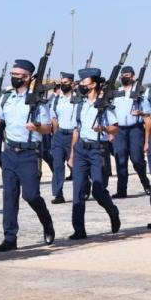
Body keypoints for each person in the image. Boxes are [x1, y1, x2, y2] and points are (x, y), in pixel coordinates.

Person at [0, 60, 55, 251]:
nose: (14, 77)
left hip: (29, 153)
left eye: (18, 74)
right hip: (9, 152)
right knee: (9, 196)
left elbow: (48, 128)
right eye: (13, 73)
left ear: (27, 77)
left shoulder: (38, 101)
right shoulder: (6, 98)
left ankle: (47, 222)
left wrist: (36, 126)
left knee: (30, 195)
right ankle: (10, 237)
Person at [68, 67, 122, 239]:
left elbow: (115, 129)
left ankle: (113, 212)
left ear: (94, 85)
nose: (81, 85)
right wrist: (72, 153)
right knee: (78, 190)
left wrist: (104, 128)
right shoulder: (80, 104)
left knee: (98, 190)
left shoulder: (105, 104)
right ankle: (79, 230)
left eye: (84, 82)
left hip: (98, 150)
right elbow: (77, 130)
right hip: (81, 149)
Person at [110, 66, 151, 198]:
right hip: (120, 131)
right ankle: (121, 190)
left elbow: (147, 115)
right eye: (122, 75)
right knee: (120, 160)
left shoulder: (140, 92)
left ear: (133, 77)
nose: (124, 77)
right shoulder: (116, 93)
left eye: (127, 75)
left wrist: (140, 113)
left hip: (135, 129)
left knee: (137, 159)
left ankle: (146, 183)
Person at [49, 73, 78, 204]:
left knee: (75, 165)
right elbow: (54, 119)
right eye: (62, 82)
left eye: (66, 82)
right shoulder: (56, 100)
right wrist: (55, 135)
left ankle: (84, 188)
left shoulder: (78, 99)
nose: (63, 84)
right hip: (59, 135)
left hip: (75, 134)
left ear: (72, 84)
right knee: (57, 165)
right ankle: (58, 194)